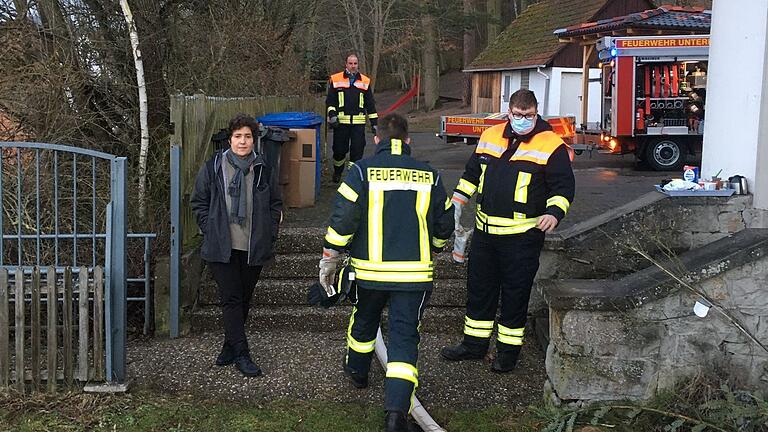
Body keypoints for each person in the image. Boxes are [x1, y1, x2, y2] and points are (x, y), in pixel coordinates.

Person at [318, 113, 454, 432]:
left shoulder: (360, 171)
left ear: (376, 139)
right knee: (405, 338)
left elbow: (342, 220)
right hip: (414, 276)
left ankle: (358, 372)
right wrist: (432, 247)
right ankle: (396, 414)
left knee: (364, 321)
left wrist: (331, 255)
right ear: (408, 141)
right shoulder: (429, 175)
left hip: (369, 274)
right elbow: (445, 225)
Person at [441, 89, 575, 373]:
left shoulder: (551, 144)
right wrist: (457, 201)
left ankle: (507, 354)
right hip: (486, 234)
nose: (522, 120)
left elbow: (562, 186)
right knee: (479, 291)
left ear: (536, 113)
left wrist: (554, 213)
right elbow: (472, 174)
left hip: (522, 237)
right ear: (508, 112)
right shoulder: (490, 136)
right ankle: (474, 345)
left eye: (528, 116)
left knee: (515, 295)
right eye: (517, 115)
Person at [191, 113, 282, 377]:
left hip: (253, 246)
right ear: (229, 139)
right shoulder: (214, 167)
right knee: (231, 298)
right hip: (222, 246)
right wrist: (210, 229)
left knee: (243, 298)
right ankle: (242, 353)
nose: (243, 142)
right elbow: (199, 201)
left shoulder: (263, 168)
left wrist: (271, 232)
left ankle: (229, 345)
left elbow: (275, 204)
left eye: (248, 137)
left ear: (254, 140)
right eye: (238, 136)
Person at [326, 53, 378, 183]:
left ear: (358, 64)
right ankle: (338, 172)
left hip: (358, 125)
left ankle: (352, 177)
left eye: (355, 63)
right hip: (341, 124)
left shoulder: (365, 81)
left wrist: (374, 124)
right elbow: (330, 101)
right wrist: (332, 115)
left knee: (357, 151)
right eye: (350, 63)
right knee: (339, 151)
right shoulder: (336, 79)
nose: (353, 66)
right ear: (346, 64)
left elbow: (370, 104)